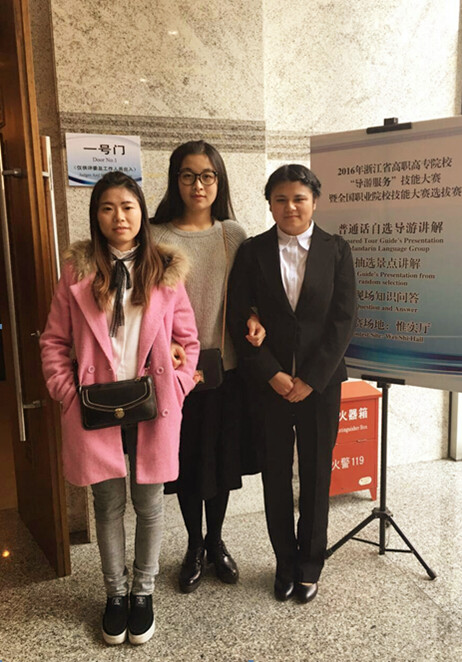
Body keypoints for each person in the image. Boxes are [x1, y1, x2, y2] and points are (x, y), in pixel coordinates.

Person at [40, 171, 199, 645]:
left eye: (128, 206)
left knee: (149, 504)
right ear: (96, 217)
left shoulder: (165, 270)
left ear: (141, 213)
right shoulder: (77, 273)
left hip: (153, 405)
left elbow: (188, 340)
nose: (119, 217)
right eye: (107, 208)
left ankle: (142, 593)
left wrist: (178, 386)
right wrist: (67, 392)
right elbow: (53, 341)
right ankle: (115, 594)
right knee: (107, 505)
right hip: (95, 406)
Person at [228, 164, 357, 604]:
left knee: (317, 475)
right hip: (271, 386)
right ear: (269, 204)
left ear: (315, 202)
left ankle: (310, 565)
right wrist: (272, 373)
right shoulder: (252, 251)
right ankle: (284, 562)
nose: (290, 207)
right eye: (280, 199)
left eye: (299, 198)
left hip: (321, 386)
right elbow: (238, 315)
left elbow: (343, 320)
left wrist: (312, 379)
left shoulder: (337, 250)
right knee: (276, 475)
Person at [150, 140, 264, 594]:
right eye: (188, 175)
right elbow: (144, 304)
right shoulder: (155, 235)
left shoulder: (232, 234)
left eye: (207, 176)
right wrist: (166, 347)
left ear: (219, 181)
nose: (198, 185)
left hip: (225, 370)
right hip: (175, 373)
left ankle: (216, 542)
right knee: (187, 464)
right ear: (175, 180)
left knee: (221, 461)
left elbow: (251, 293)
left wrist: (254, 317)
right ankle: (193, 546)